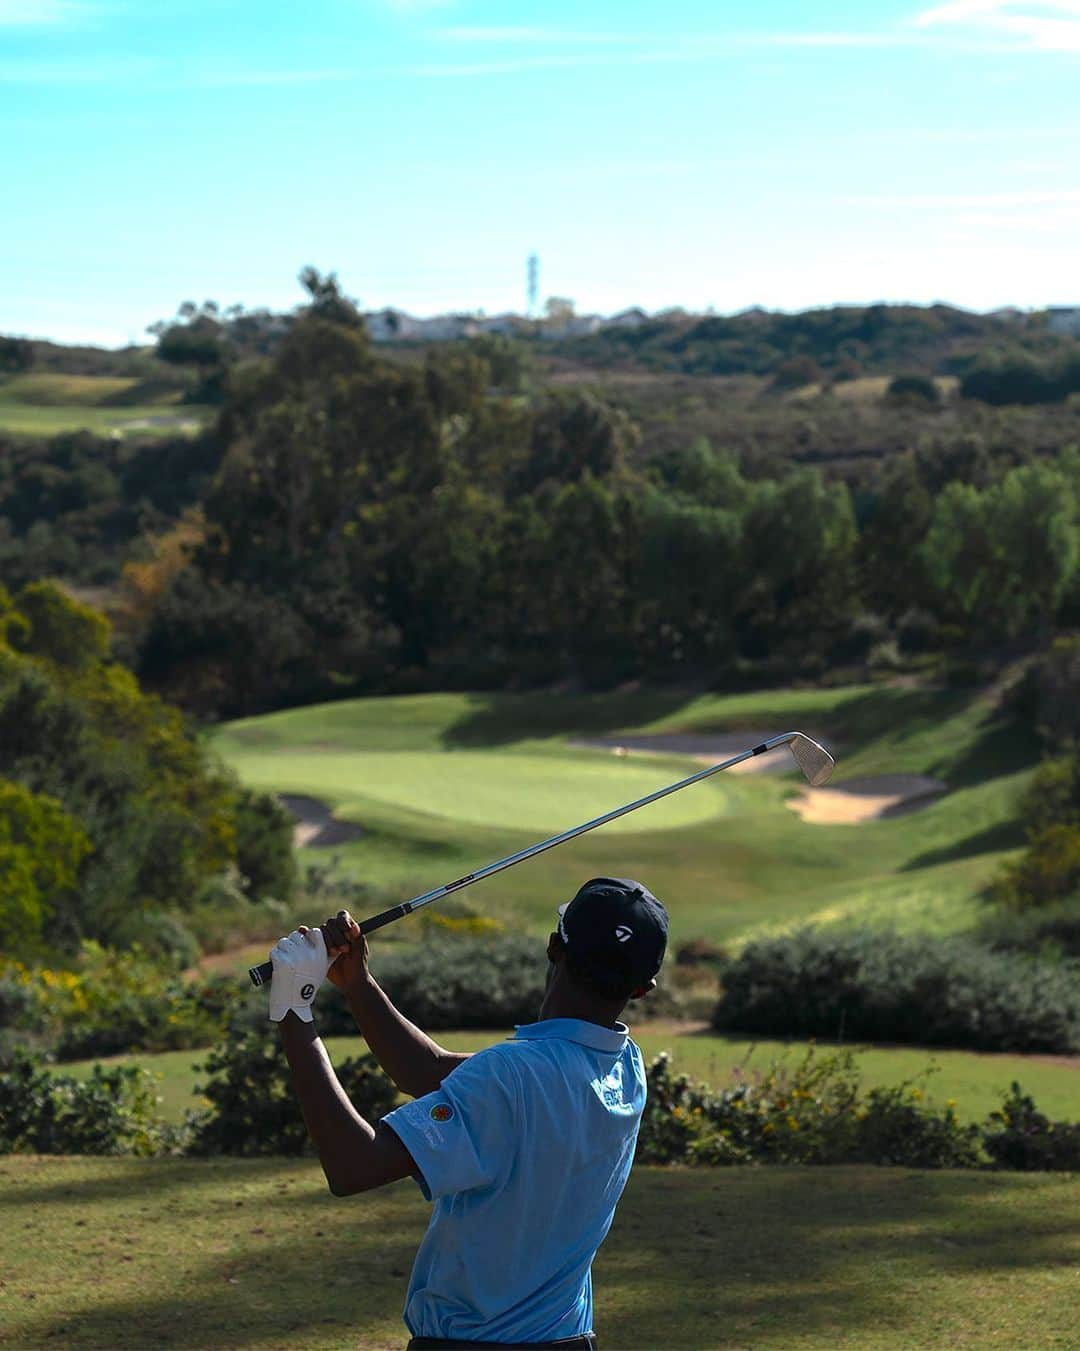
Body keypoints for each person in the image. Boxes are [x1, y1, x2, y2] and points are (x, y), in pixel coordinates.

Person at [268, 876, 669, 1350]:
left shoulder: (511, 1074)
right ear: (642, 989)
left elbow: (352, 1166)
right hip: (570, 1340)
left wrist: (295, 1009)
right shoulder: (625, 1067)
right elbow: (429, 1070)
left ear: (553, 948)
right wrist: (357, 983)